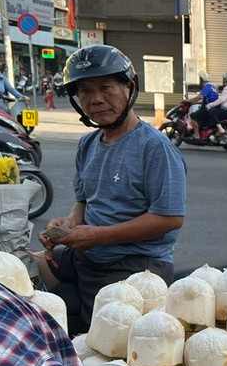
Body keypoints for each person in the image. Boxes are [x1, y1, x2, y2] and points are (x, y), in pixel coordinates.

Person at [39, 44, 187, 333]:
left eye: (106, 88)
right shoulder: (87, 144)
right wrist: (68, 224)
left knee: (100, 341)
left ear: (129, 89)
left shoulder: (155, 148)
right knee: (20, 270)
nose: (95, 100)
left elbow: (170, 218)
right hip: (87, 252)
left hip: (135, 265)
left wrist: (98, 236)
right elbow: (83, 201)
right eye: (85, 91)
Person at [193, 71, 227, 138]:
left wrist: (211, 105)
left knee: (211, 111)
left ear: (225, 80)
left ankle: (220, 129)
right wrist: (199, 102)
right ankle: (216, 132)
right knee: (214, 111)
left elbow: (222, 99)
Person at [181, 70, 220, 137]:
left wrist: (189, 100)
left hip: (208, 109)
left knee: (193, 116)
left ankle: (196, 134)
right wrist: (196, 102)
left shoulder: (206, 87)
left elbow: (200, 96)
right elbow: (208, 99)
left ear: (202, 80)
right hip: (213, 108)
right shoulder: (212, 87)